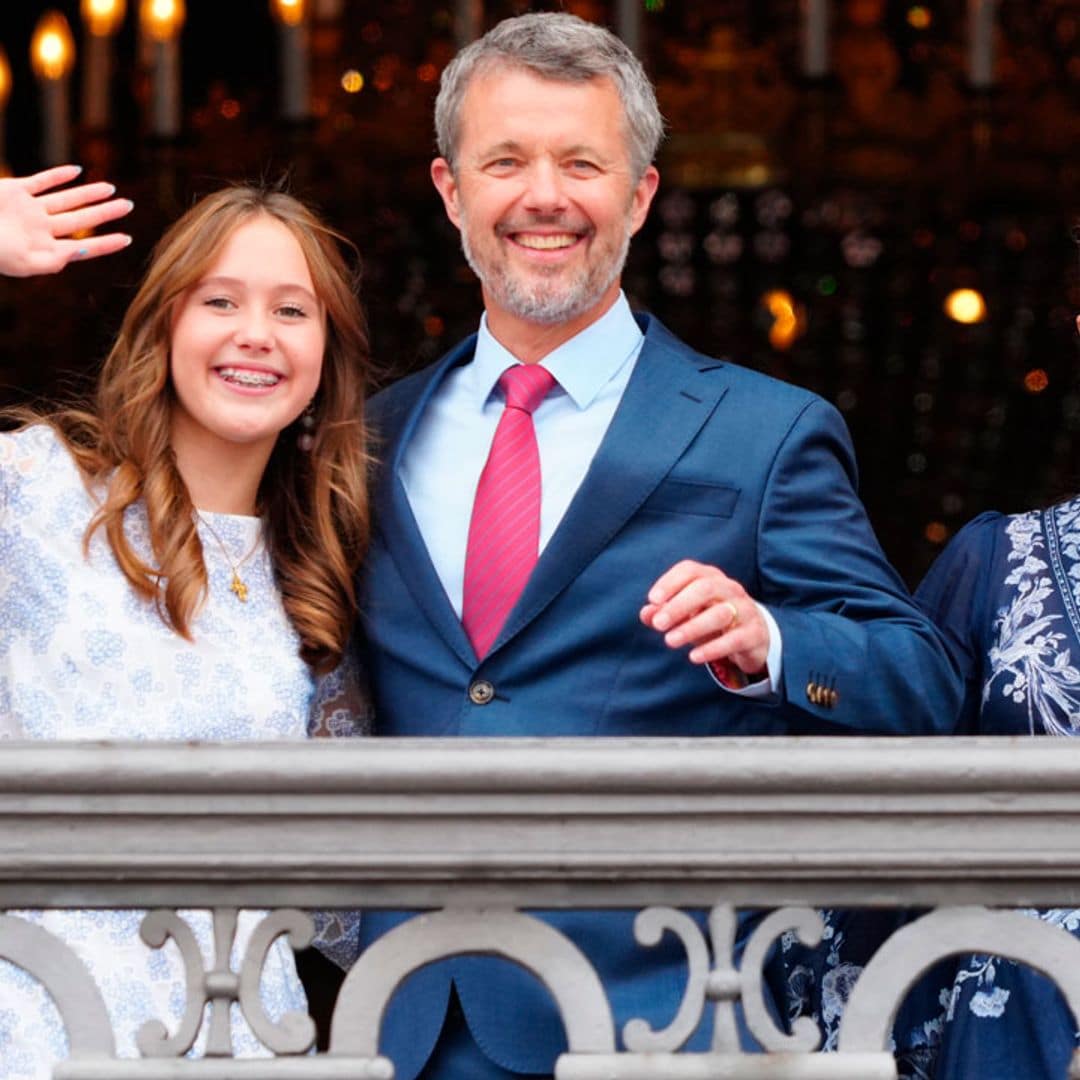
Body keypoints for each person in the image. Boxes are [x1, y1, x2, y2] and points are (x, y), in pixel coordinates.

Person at [352, 12, 961, 1080]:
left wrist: (774, 639)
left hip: (663, 1021)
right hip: (404, 1021)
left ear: (638, 195)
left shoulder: (766, 432)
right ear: (451, 192)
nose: (545, 195)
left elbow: (922, 679)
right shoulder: (363, 437)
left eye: (583, 162)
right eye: (506, 161)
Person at [0, 168, 372, 1077]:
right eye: (220, 300)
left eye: (294, 311)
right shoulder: (38, 491)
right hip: (45, 1025)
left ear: (327, 358)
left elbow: (347, 891)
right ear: (165, 324)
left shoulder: (320, 570)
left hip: (245, 1034)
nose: (256, 334)